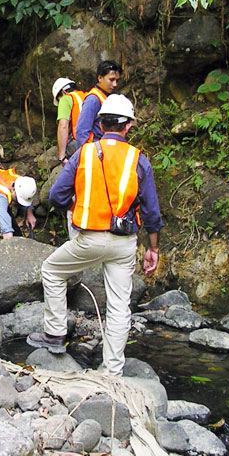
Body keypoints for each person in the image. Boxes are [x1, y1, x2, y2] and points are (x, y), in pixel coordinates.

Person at [29, 94, 163, 376]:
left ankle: (55, 335)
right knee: (118, 306)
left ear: (101, 124)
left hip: (88, 238)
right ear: (128, 127)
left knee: (52, 271)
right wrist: (153, 248)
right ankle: (112, 371)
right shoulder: (139, 160)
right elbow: (151, 212)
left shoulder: (84, 153)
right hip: (124, 243)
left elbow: (56, 196)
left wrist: (79, 208)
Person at [68, 58, 123, 154]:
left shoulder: (104, 97)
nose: (115, 84)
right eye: (111, 80)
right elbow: (82, 130)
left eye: (117, 80)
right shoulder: (93, 100)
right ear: (100, 78)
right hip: (94, 150)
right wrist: (84, 155)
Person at [52, 76, 78, 156]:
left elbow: (63, 126)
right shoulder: (87, 96)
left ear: (63, 92)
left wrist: (61, 156)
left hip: (79, 143)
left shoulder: (66, 99)